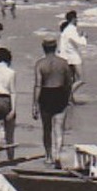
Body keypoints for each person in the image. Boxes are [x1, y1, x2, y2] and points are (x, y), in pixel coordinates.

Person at [33, 34, 74, 167]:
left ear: (43, 48)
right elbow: (69, 83)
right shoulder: (63, 63)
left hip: (45, 94)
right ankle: (58, 155)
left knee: (46, 128)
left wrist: (34, 104)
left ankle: (48, 156)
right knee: (59, 128)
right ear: (55, 47)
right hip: (60, 93)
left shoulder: (40, 64)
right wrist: (68, 97)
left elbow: (38, 85)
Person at [58, 11, 87, 99]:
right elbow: (80, 42)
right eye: (76, 18)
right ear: (73, 19)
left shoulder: (67, 30)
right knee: (81, 79)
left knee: (71, 80)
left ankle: (70, 98)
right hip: (72, 57)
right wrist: (84, 37)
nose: (77, 20)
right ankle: (68, 96)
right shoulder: (71, 29)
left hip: (66, 56)